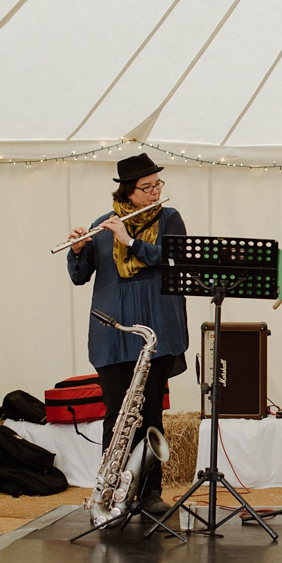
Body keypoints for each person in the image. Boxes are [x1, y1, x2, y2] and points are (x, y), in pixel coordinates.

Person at [66, 153, 188, 515]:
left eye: (157, 185)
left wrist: (131, 241)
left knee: (150, 414)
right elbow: (80, 275)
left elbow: (173, 259)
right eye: (146, 187)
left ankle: (150, 493)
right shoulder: (103, 224)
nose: (154, 192)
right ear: (127, 191)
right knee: (117, 416)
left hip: (156, 332)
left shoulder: (169, 218)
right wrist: (77, 250)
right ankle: (111, 489)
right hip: (112, 332)